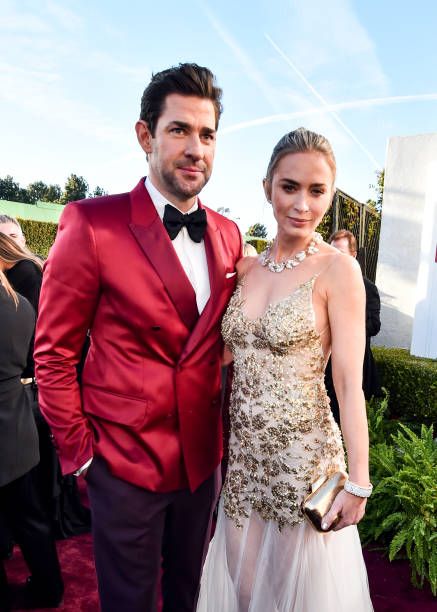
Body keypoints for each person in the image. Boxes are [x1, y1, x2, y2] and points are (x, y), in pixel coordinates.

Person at [34, 62, 242, 612]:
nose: (196, 147)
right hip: (122, 464)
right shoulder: (90, 224)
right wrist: (81, 456)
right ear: (145, 135)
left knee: (188, 597)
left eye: (208, 134)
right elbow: (53, 354)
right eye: (180, 130)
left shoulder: (228, 234)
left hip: (202, 465)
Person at [197, 127, 373, 611]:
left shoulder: (339, 270)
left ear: (330, 195)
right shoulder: (247, 268)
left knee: (290, 597)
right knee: (242, 587)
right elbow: (226, 353)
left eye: (316, 191)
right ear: (267, 187)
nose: (302, 204)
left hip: (304, 464)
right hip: (244, 462)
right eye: (289, 187)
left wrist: (358, 480)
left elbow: (348, 385)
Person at [0, 231, 91, 539]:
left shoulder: (24, 278)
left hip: (37, 385)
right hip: (38, 383)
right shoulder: (29, 273)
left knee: (32, 491)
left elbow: (44, 341)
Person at [0, 269, 63, 610]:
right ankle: (50, 588)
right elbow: (28, 362)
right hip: (18, 427)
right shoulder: (21, 305)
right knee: (30, 517)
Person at [325, 229, 382, 422]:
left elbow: (374, 325)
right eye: (332, 253)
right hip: (323, 365)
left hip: (354, 364)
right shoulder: (321, 283)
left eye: (341, 253)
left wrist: (348, 321)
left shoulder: (368, 287)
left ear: (353, 255)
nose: (336, 258)